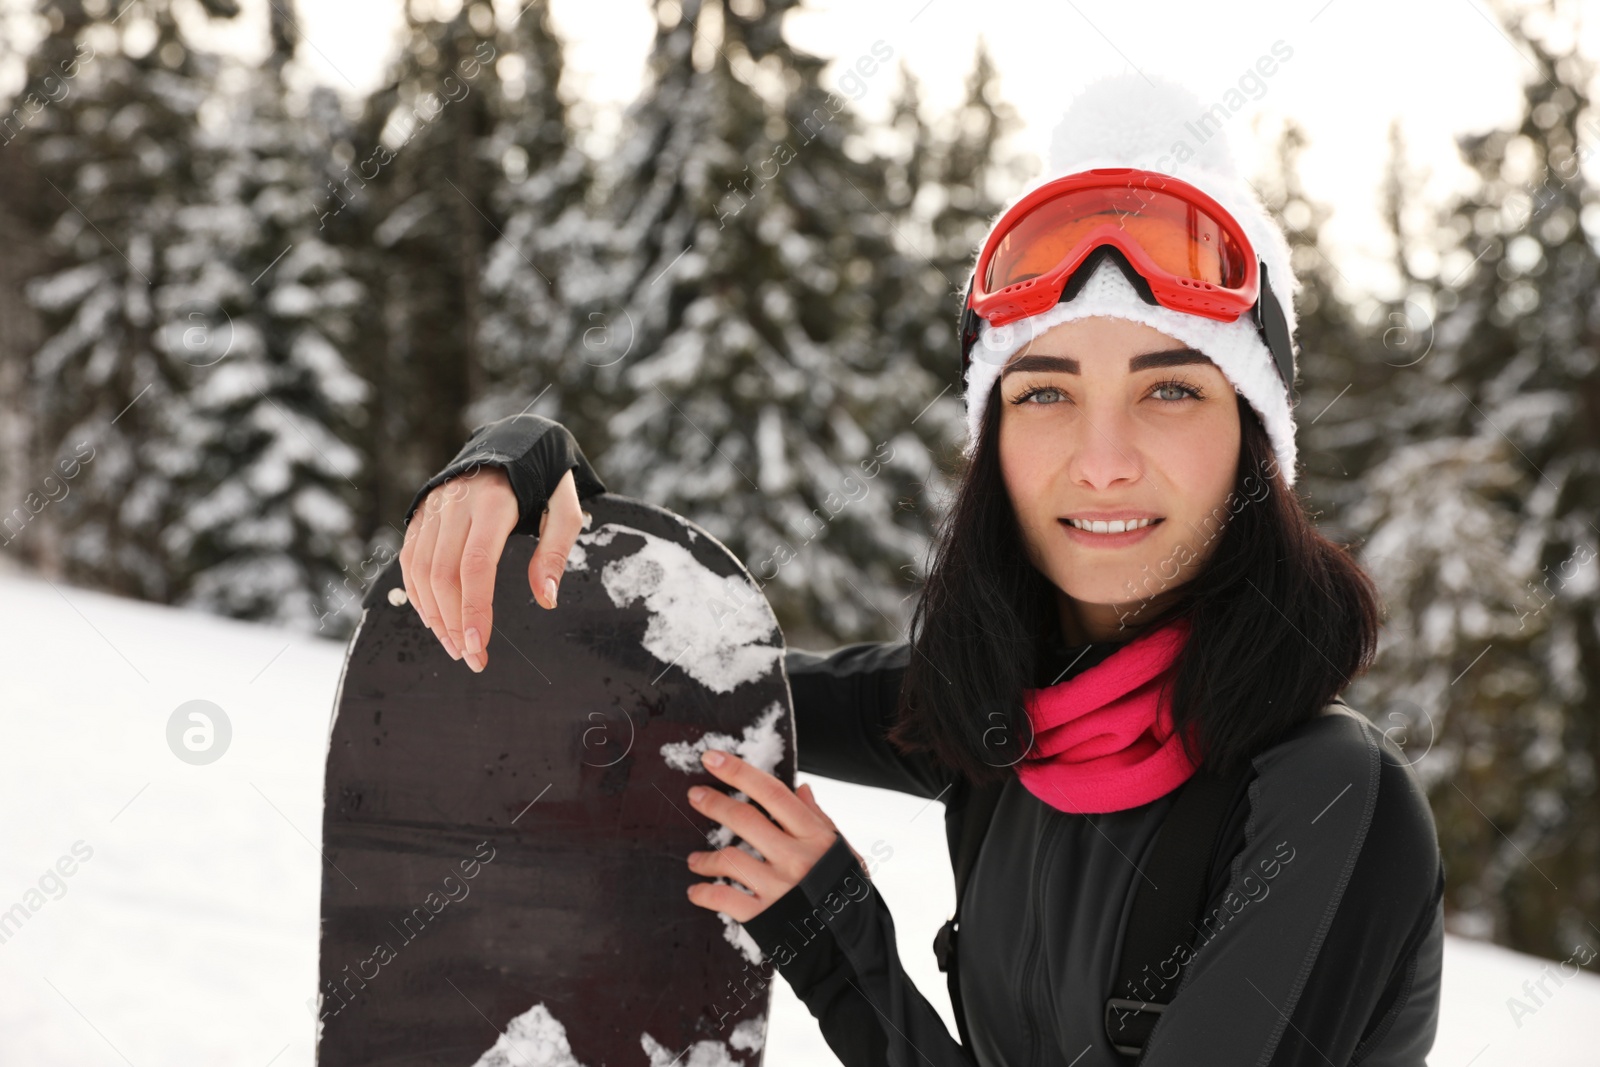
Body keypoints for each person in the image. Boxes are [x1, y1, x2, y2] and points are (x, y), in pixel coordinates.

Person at [397, 74, 1444, 1066]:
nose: (1103, 457)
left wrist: (833, 936)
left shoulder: (1328, 799)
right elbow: (667, 680)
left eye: (1170, 391)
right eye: (1042, 393)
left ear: (1254, 442)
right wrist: (528, 467)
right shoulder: (992, 715)